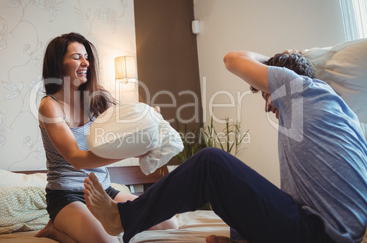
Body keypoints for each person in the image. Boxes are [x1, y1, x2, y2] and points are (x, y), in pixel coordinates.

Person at [83, 50, 367, 243]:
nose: (268, 107)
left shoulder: (299, 87)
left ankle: (121, 218)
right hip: (325, 231)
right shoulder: (344, 116)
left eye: (266, 95)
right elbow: (295, 204)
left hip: (321, 236)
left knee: (210, 163)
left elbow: (233, 59)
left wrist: (282, 57)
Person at [35, 32, 178, 243]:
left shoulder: (96, 99)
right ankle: (55, 227)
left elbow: (128, 123)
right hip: (67, 195)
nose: (85, 62)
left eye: (86, 57)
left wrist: (150, 118)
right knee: (108, 242)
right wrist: (134, 151)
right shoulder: (50, 106)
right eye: (76, 57)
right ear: (58, 63)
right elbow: (77, 158)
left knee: (169, 223)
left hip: (104, 191)